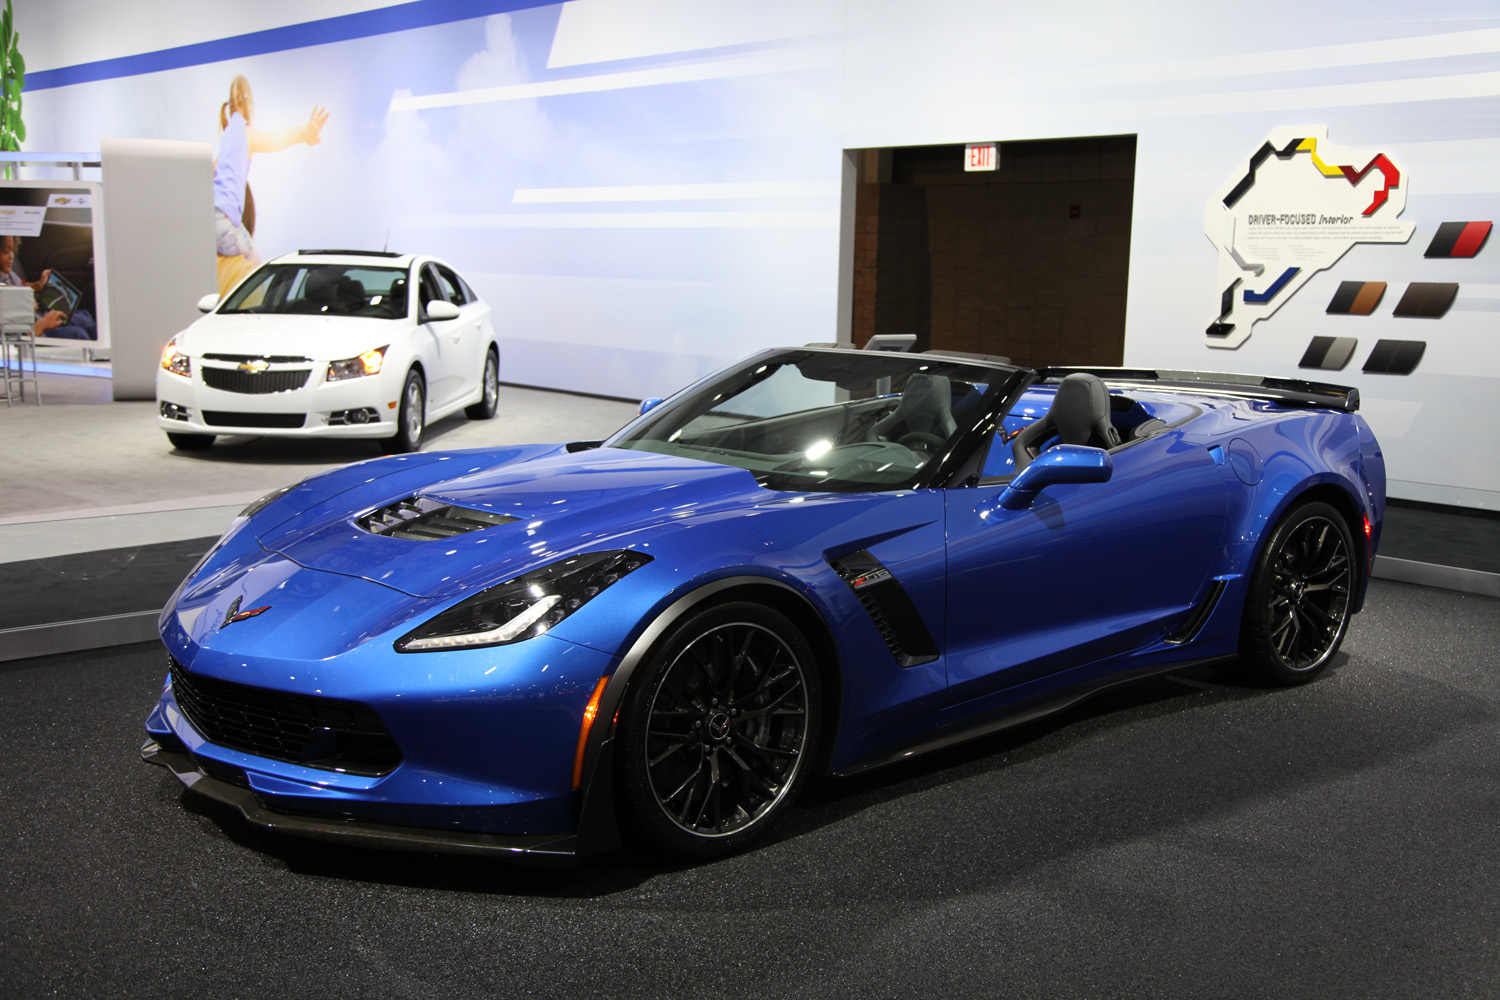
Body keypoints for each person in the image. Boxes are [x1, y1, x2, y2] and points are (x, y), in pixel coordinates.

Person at [214, 75, 329, 293]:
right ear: (248, 106)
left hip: (213, 222)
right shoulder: (245, 133)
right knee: (256, 269)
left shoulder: (228, 137)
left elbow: (211, 172)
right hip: (228, 223)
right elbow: (275, 140)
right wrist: (305, 133)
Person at [0, 235, 96, 340]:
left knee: (84, 318)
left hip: (38, 316)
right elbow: (12, 339)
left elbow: (17, 287)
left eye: (12, 250)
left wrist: (37, 286)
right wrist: (43, 323)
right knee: (78, 334)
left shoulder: (6, 272)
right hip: (34, 332)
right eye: (6, 251)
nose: (12, 256)